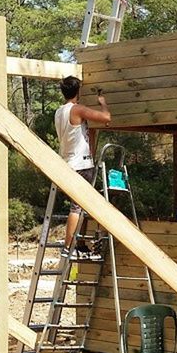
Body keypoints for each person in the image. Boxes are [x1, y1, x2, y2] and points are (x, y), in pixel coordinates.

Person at [54, 75, 111, 258]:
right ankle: (69, 247)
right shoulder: (76, 109)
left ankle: (78, 244)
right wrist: (102, 103)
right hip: (81, 165)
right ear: (77, 91)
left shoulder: (59, 112)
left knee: (80, 206)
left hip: (67, 164)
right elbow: (106, 117)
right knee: (77, 207)